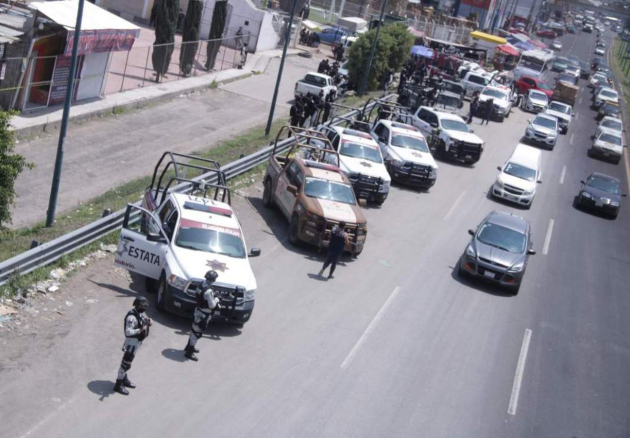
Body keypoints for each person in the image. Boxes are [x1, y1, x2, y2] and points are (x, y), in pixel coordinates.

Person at [114, 296, 152, 395]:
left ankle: (124, 379)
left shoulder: (139, 314)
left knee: (128, 364)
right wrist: (140, 330)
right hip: (131, 344)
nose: (144, 308)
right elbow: (128, 332)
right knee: (125, 365)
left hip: (136, 344)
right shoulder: (131, 317)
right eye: (142, 306)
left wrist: (148, 322)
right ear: (137, 305)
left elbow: (142, 322)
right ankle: (118, 384)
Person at [184, 270, 222, 361]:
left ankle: (189, 347)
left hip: (198, 310)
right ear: (213, 279)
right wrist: (217, 299)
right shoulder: (208, 291)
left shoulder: (201, 285)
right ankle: (189, 352)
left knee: (194, 330)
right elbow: (212, 305)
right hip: (203, 314)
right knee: (196, 332)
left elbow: (200, 296)